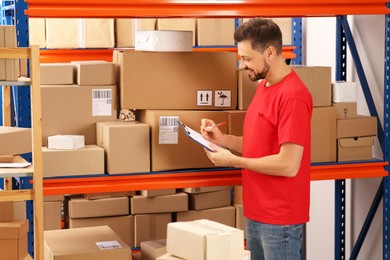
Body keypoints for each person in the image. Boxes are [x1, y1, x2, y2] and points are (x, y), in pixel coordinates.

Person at [200, 18, 313, 260]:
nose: (242, 65)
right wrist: (223, 139)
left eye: (247, 58)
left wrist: (233, 161)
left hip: (279, 219)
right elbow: (260, 145)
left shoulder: (292, 96)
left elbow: (288, 164)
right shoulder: (265, 86)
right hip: (255, 211)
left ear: (270, 52)